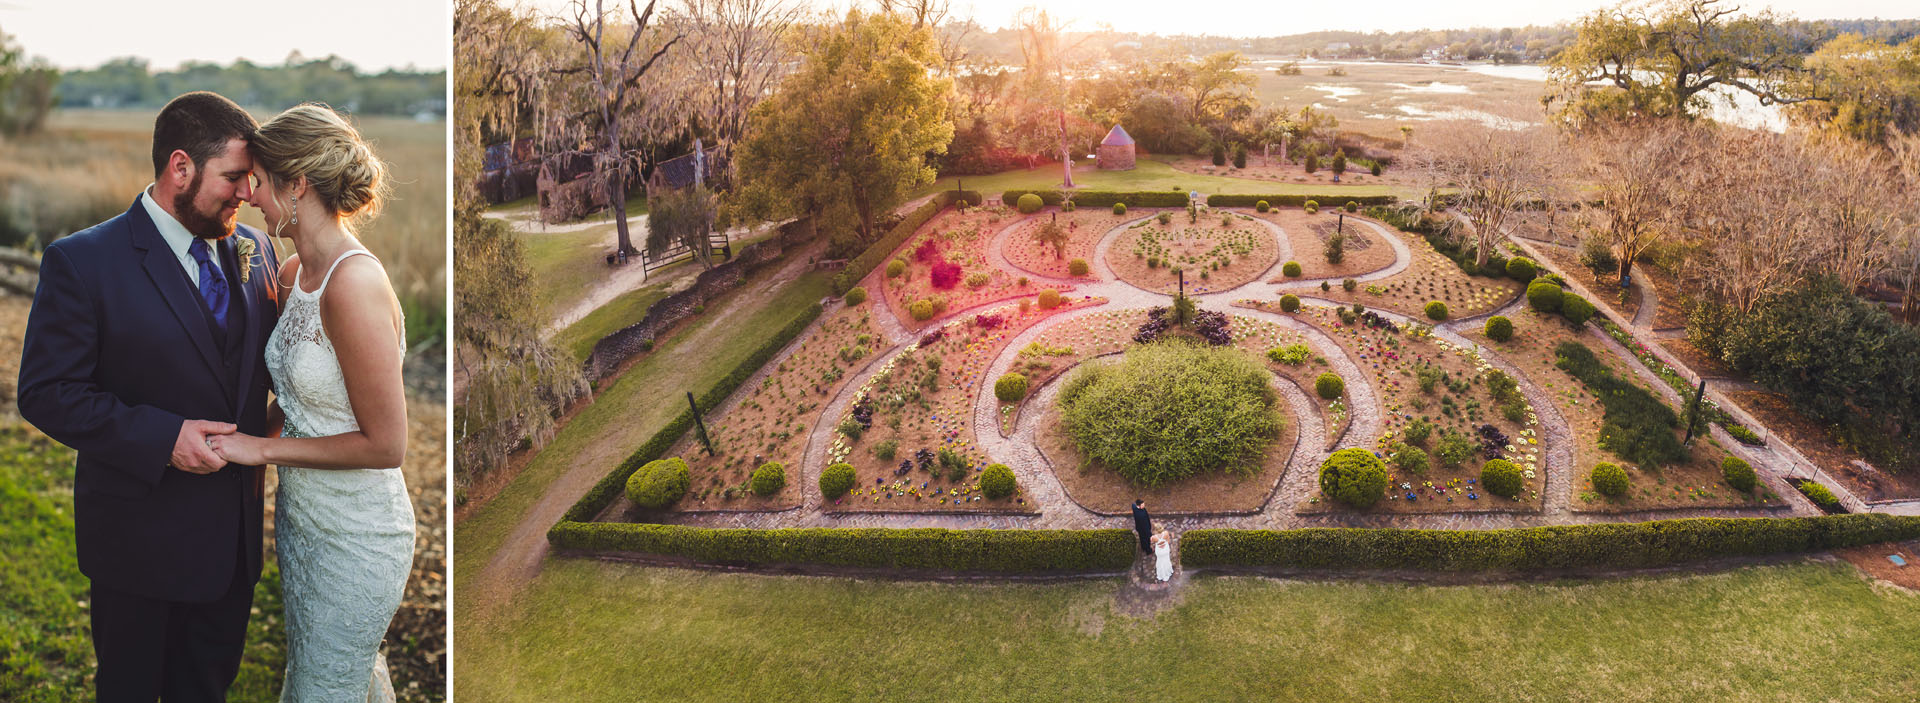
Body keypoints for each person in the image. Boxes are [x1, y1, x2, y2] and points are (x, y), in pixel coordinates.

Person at [20, 91, 280, 702]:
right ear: (180, 168)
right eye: (235, 177)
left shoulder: (260, 249)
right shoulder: (83, 262)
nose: (247, 194)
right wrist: (164, 439)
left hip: (233, 553)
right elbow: (46, 392)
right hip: (137, 548)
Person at [206, 103, 413, 702]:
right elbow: (299, 396)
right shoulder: (295, 270)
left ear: (297, 184)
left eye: (260, 180)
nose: (249, 195)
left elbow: (386, 445)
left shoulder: (353, 284)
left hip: (358, 535)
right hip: (304, 523)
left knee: (325, 688)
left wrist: (259, 449)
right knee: (326, 678)